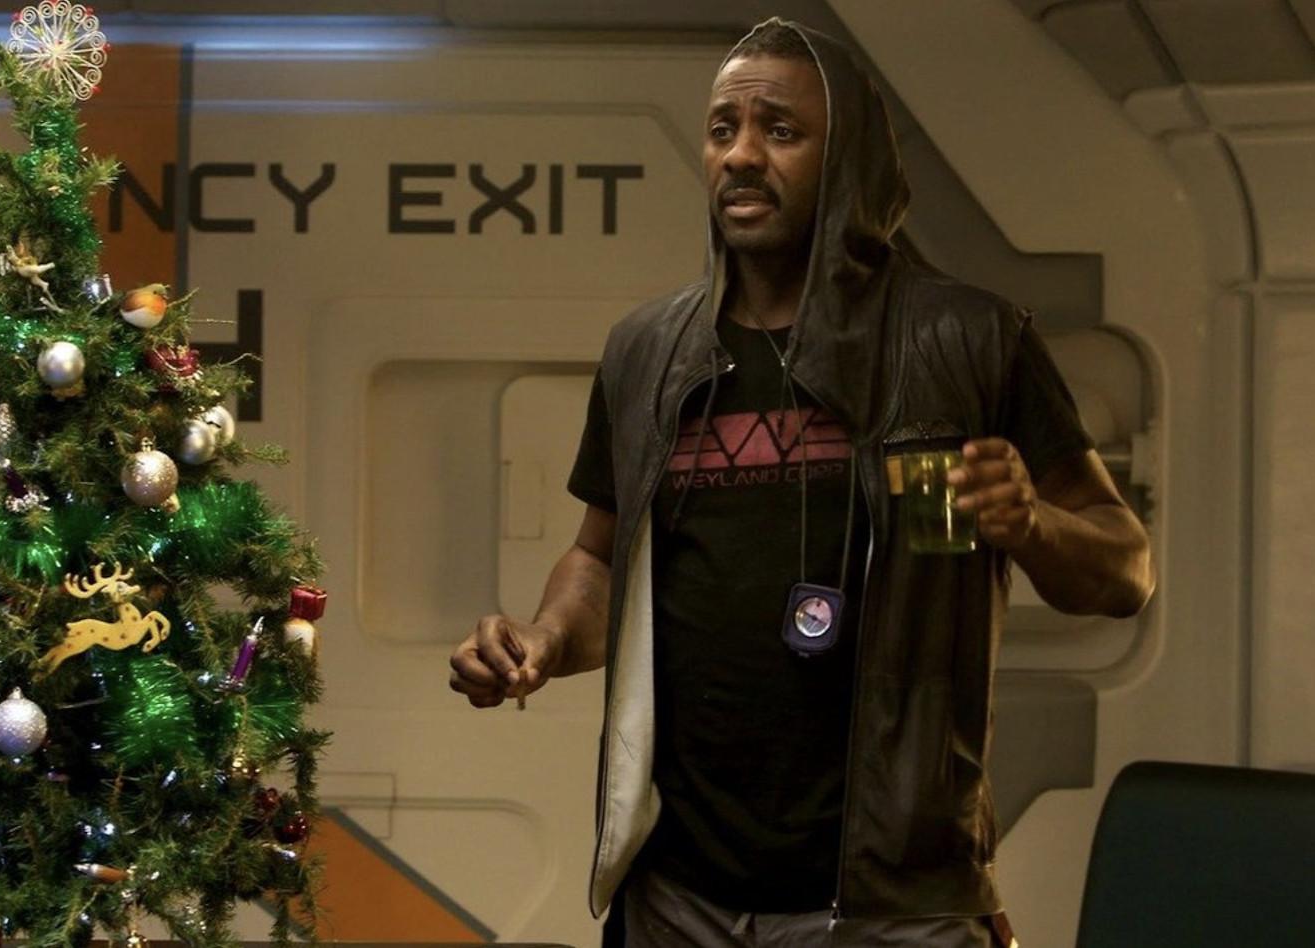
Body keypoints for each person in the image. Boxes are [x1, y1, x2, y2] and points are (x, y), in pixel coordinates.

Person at [449, 17, 1153, 948]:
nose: (741, 155)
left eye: (780, 130)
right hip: (678, 896)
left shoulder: (968, 340)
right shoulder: (647, 352)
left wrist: (1033, 526)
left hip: (895, 902)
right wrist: (541, 641)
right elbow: (602, 561)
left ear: (848, 160)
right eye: (722, 129)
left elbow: (1126, 571)